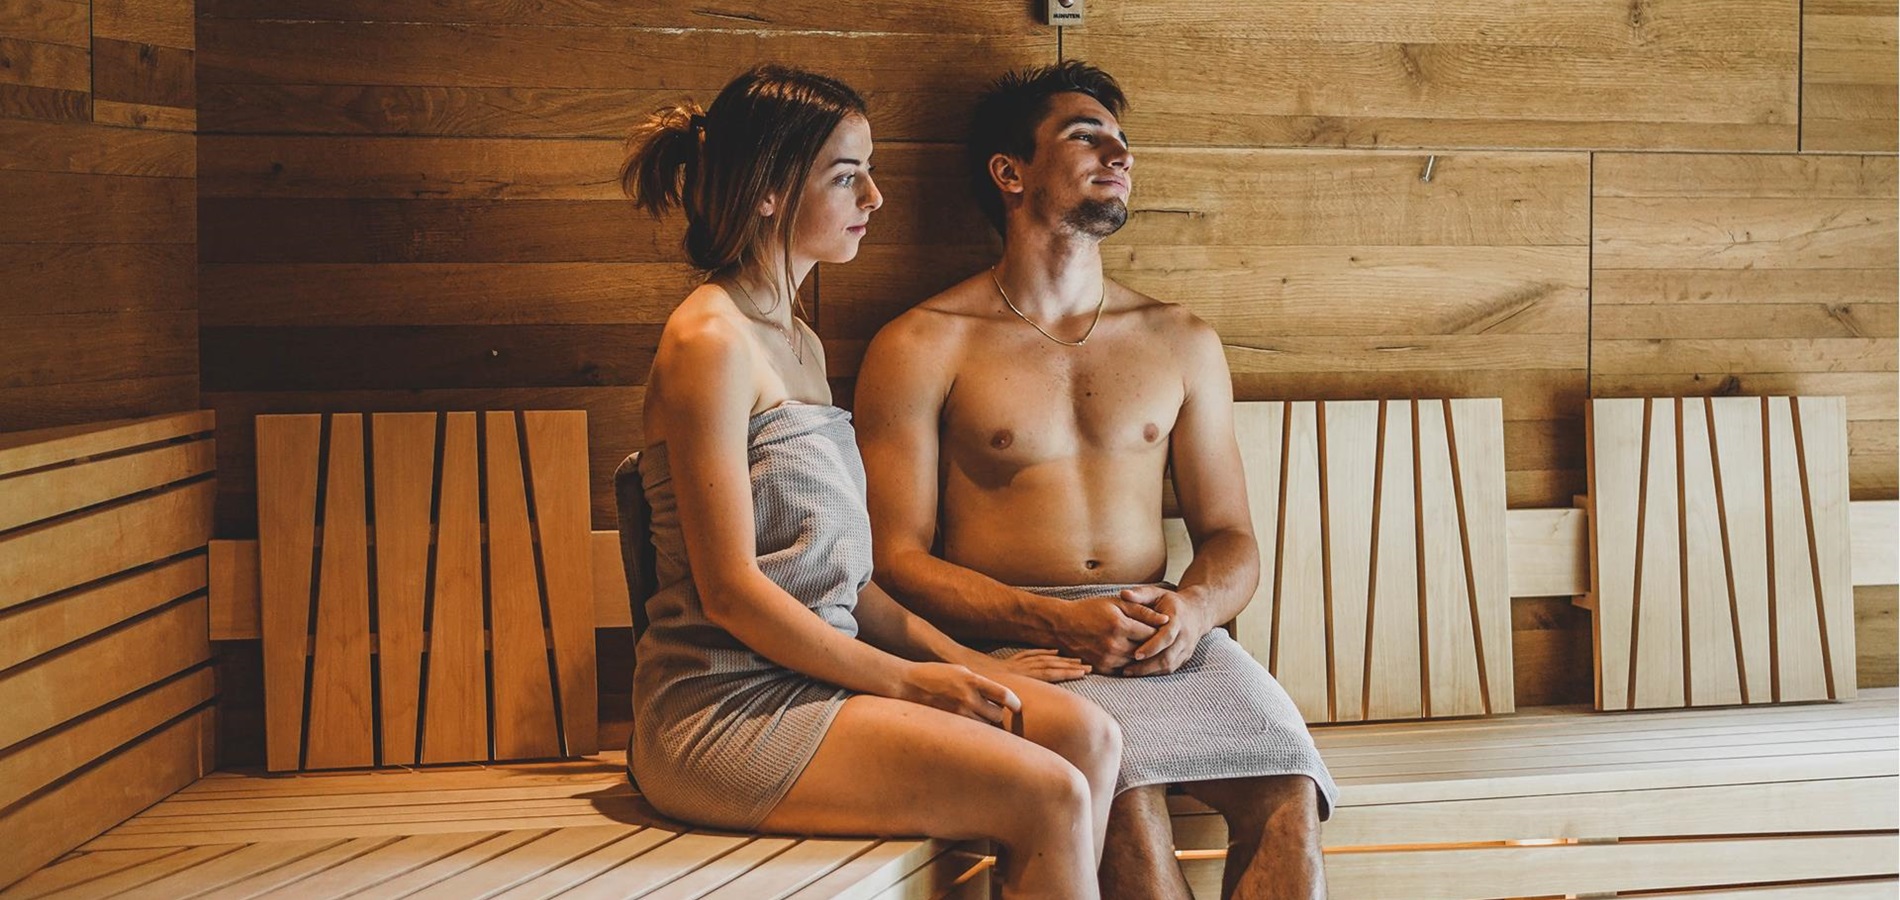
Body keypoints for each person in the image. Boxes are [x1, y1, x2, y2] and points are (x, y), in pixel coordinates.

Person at [620, 64, 1121, 898]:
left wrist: (972, 664)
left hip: (820, 676)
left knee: (1089, 736)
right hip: (727, 706)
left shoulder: (799, 342)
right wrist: (912, 681)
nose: (876, 198)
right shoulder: (706, 343)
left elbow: (846, 581)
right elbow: (732, 594)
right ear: (772, 190)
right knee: (1049, 791)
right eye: (848, 175)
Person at [854, 61, 1339, 900]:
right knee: (1124, 799)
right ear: (1010, 173)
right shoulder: (923, 343)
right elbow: (894, 558)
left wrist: (1190, 610)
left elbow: (1232, 539)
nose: (1118, 152)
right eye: (1087, 136)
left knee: (1291, 794)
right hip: (1022, 644)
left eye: (1123, 142)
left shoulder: (1181, 339)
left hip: (1163, 636)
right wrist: (1051, 620)